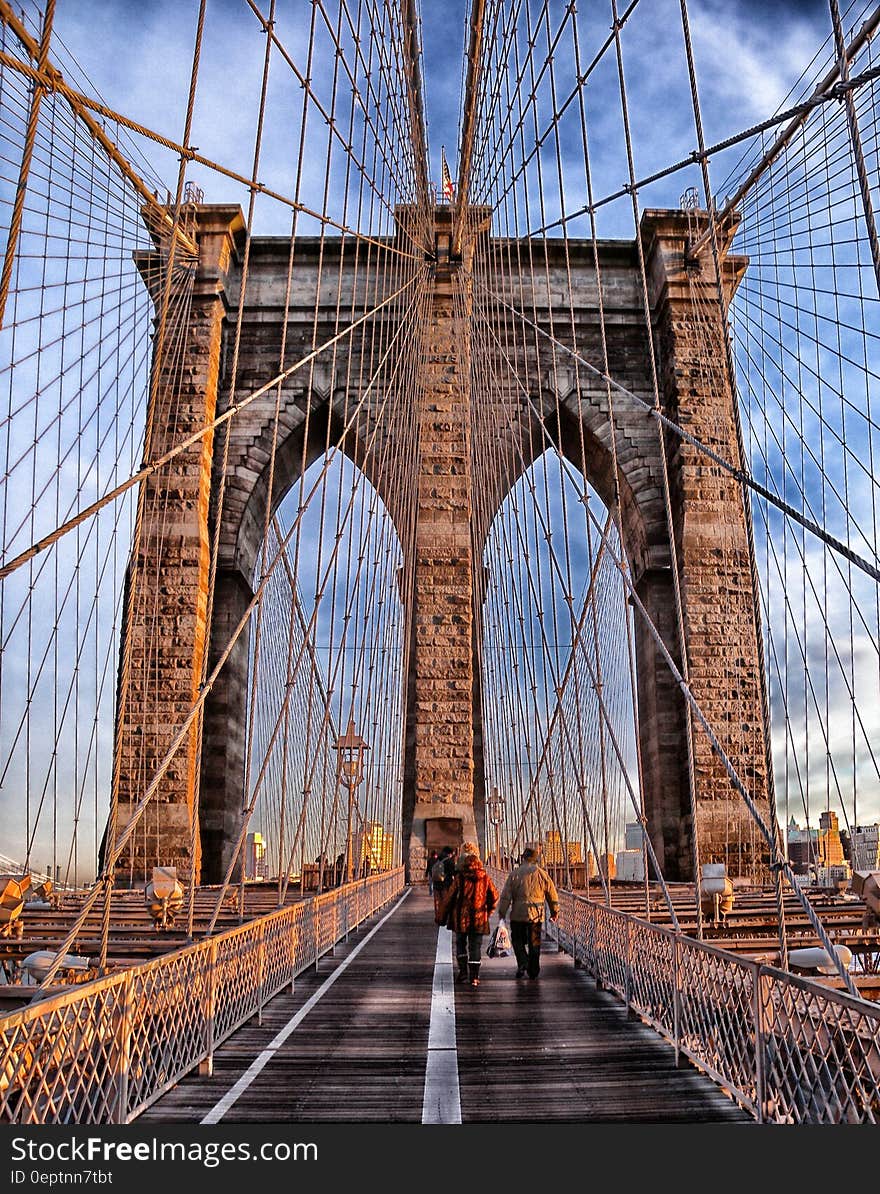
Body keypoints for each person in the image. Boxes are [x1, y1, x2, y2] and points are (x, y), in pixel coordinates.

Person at [496, 845, 559, 980]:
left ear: (523, 858)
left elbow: (506, 896)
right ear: (536, 859)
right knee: (534, 943)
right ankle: (533, 971)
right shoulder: (542, 874)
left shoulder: (514, 874)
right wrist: (555, 912)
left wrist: (502, 913)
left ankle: (523, 962)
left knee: (517, 940)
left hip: (518, 915)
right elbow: (552, 895)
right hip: (536, 915)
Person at [441, 842, 498, 987]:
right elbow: (495, 897)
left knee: (461, 944)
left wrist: (441, 917)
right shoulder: (485, 877)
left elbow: (449, 898)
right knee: (475, 946)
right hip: (479, 919)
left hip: (461, 917)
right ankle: (474, 977)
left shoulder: (460, 877)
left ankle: (463, 973)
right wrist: (488, 912)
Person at [431, 845, 457, 923]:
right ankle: (443, 919)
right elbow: (454, 872)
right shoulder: (449, 861)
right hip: (446, 885)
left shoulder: (437, 860)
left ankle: (438, 918)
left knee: (437, 902)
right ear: (449, 853)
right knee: (445, 902)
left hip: (436, 884)